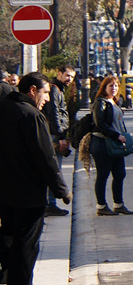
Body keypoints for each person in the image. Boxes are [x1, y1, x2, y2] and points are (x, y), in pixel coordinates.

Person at [0, 72, 71, 285]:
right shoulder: (32, 115)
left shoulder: (4, 109)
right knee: (26, 242)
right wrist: (61, 189)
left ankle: (10, 280)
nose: (47, 99)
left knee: (9, 238)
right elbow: (45, 157)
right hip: (28, 192)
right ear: (32, 91)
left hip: (5, 190)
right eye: (45, 92)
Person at [89, 75, 133, 216]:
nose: (114, 88)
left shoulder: (114, 102)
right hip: (102, 142)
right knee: (103, 175)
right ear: (104, 88)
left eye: (115, 86)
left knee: (120, 174)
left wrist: (123, 135)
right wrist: (116, 135)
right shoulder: (100, 102)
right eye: (110, 86)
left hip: (115, 143)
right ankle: (101, 206)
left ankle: (118, 204)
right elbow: (100, 124)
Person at [42, 66, 75, 217]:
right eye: (67, 75)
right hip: (54, 135)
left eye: (72, 77)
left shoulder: (58, 89)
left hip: (56, 134)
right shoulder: (55, 89)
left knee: (54, 169)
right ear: (59, 74)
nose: (69, 79)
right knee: (54, 170)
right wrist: (60, 136)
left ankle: (50, 203)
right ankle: (50, 204)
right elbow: (53, 113)